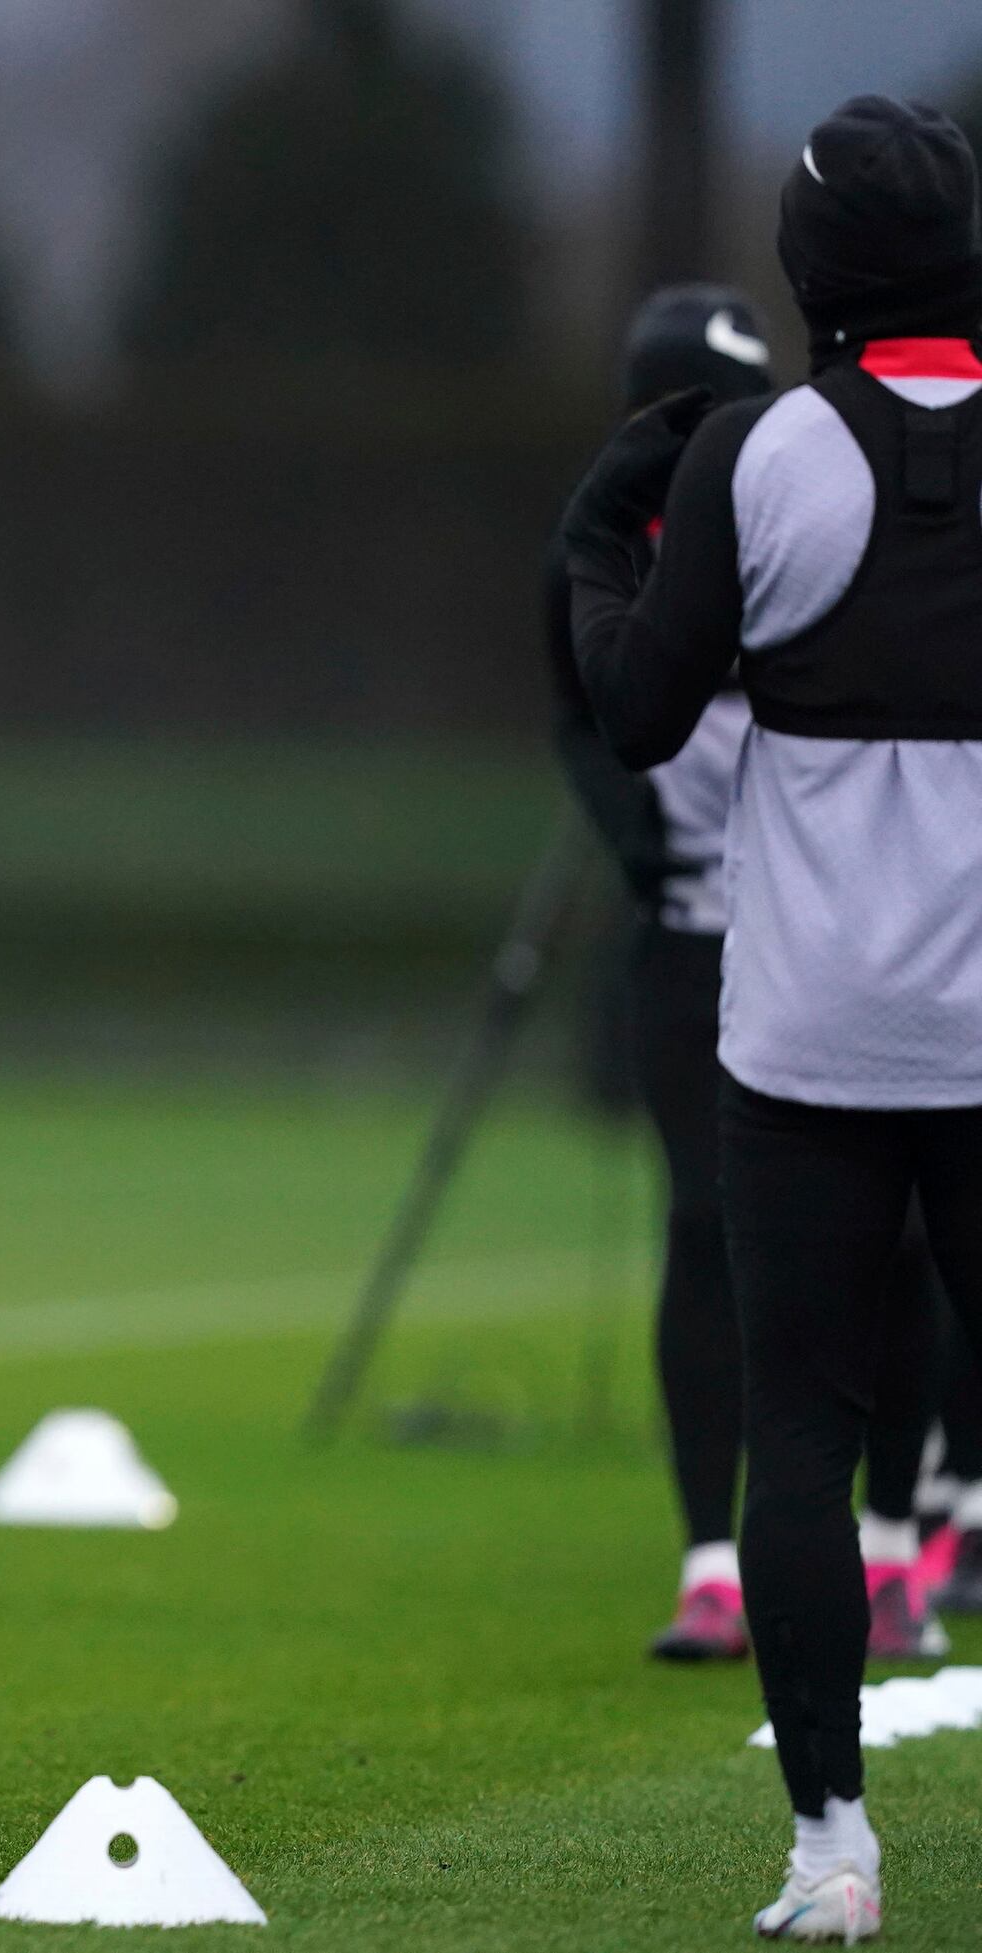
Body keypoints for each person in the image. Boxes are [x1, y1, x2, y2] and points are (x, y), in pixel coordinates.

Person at [565, 93, 982, 1941]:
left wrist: (597, 558)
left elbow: (644, 718)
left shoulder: (759, 454)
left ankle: (830, 1851)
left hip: (807, 1037)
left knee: (795, 1442)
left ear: (810, 268)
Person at [547, 282, 954, 1668]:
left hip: (831, 926)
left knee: (898, 1241)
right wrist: (639, 846)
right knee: (706, 1227)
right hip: (692, 931)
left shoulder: (792, 493)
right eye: (673, 410)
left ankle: (899, 1535)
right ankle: (713, 1560)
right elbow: (589, 710)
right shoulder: (618, 530)